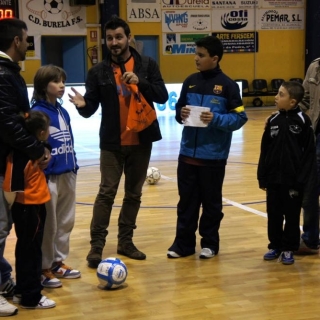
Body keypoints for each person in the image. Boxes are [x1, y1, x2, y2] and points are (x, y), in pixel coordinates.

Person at [68, 15, 168, 267]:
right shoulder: (97, 71)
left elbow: (162, 96)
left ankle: (125, 241)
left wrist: (140, 81)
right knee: (106, 193)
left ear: (129, 37)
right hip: (112, 143)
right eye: (110, 38)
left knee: (133, 194)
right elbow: (90, 108)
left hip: (141, 140)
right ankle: (96, 246)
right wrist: (82, 105)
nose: (114, 42)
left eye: (119, 37)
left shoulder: (146, 64)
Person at [167, 36, 248, 259]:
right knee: (186, 204)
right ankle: (183, 244)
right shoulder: (190, 81)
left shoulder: (229, 86)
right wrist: (180, 113)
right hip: (186, 156)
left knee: (211, 205)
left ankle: (210, 244)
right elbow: (179, 109)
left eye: (201, 55)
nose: (196, 59)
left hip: (213, 158)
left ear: (215, 58)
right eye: (196, 54)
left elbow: (240, 118)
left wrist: (215, 118)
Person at [0, 18, 52, 315]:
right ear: (17, 41)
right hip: (8, 166)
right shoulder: (3, 75)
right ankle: (21, 289)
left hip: (10, 164)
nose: (27, 43)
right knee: (5, 231)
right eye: (26, 38)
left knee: (9, 231)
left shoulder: (9, 73)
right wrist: (37, 149)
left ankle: (13, 283)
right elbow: (7, 123)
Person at [31, 65, 81, 288]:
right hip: (48, 177)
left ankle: (58, 262)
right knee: (49, 224)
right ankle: (43, 267)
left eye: (62, 80)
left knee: (65, 221)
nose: (62, 85)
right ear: (43, 86)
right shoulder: (37, 113)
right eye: (56, 81)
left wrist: (73, 164)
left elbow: (68, 139)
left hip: (68, 172)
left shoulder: (63, 111)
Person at [258, 81, 316, 265]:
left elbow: (308, 155)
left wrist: (302, 180)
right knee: (274, 214)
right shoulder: (273, 120)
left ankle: (289, 248)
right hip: (274, 179)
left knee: (291, 216)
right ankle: (274, 245)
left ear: (292, 102)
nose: (276, 97)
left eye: (281, 94)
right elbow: (264, 150)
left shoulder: (303, 121)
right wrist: (262, 175)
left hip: (293, 181)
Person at [3, 110, 56, 308]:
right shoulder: (21, 155)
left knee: (28, 249)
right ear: (41, 132)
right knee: (30, 252)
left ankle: (21, 291)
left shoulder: (34, 149)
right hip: (28, 209)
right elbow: (10, 184)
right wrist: (14, 204)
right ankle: (31, 297)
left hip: (34, 207)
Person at [297, 57, 320, 253]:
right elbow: (303, 99)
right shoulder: (315, 66)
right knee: (310, 191)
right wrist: (283, 115)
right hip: (316, 138)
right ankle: (311, 239)